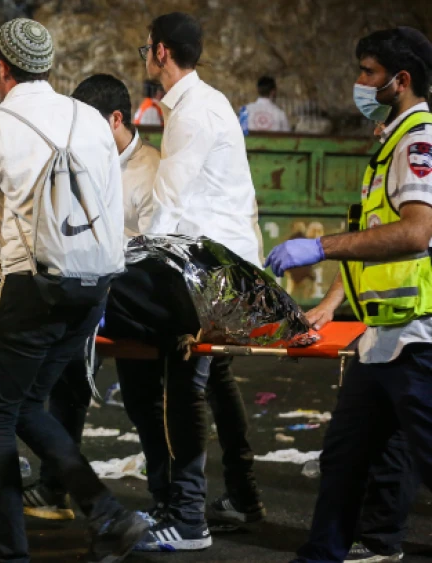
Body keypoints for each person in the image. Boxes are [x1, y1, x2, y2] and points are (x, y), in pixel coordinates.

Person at [0, 18, 148, 563]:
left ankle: (12, 553)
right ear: (47, 66)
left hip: (34, 286)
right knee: (22, 404)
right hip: (95, 287)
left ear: (0, 67)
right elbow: (110, 204)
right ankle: (107, 514)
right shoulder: (91, 119)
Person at [267, 27, 432, 563]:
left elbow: (413, 233)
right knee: (344, 457)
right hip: (380, 336)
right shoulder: (391, 139)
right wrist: (333, 301)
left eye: (368, 72)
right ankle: (322, 554)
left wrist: (317, 246)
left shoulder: (418, 141)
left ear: (400, 80)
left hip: (418, 336)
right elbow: (374, 235)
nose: (359, 83)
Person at [130, 12, 265, 551]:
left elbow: (167, 207)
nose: (146, 57)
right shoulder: (200, 104)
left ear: (161, 52)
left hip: (215, 274)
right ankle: (243, 497)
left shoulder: (192, 114)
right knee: (216, 377)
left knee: (182, 370)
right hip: (225, 268)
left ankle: (185, 517)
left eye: (146, 49)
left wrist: (125, 262)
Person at [20, 73, 159, 522]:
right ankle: (54, 487)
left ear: (115, 119)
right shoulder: (83, 160)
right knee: (67, 387)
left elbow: (156, 244)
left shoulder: (151, 170)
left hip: (132, 304)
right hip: (88, 298)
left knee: (144, 405)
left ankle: (169, 500)